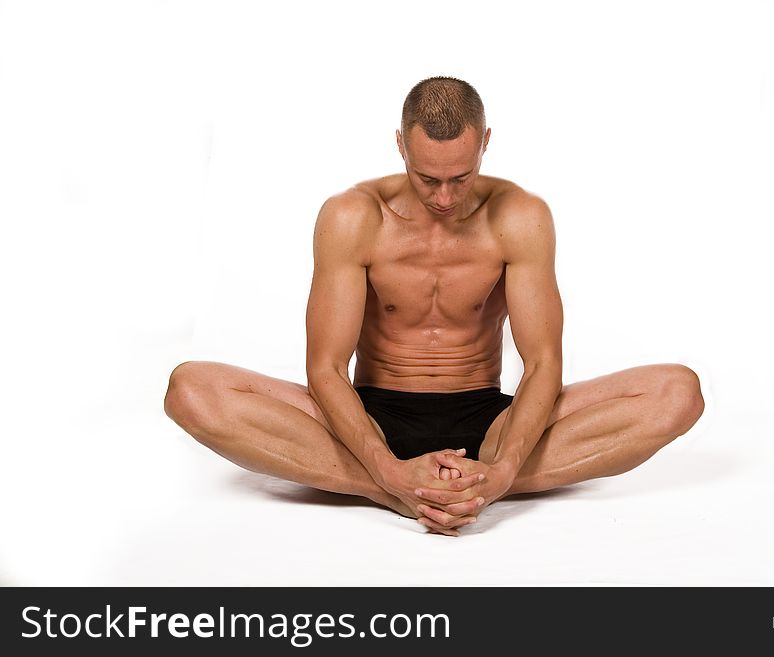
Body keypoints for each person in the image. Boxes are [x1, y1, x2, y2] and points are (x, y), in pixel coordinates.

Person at [164, 76, 705, 536]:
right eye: (428, 179)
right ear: (401, 144)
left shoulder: (519, 216)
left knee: (677, 393)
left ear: (485, 142)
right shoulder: (354, 216)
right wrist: (386, 470)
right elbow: (325, 368)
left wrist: (505, 465)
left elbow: (542, 363)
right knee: (191, 390)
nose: (445, 198)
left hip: (491, 422)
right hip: (368, 422)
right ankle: (396, 492)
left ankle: (472, 484)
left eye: (460, 178)